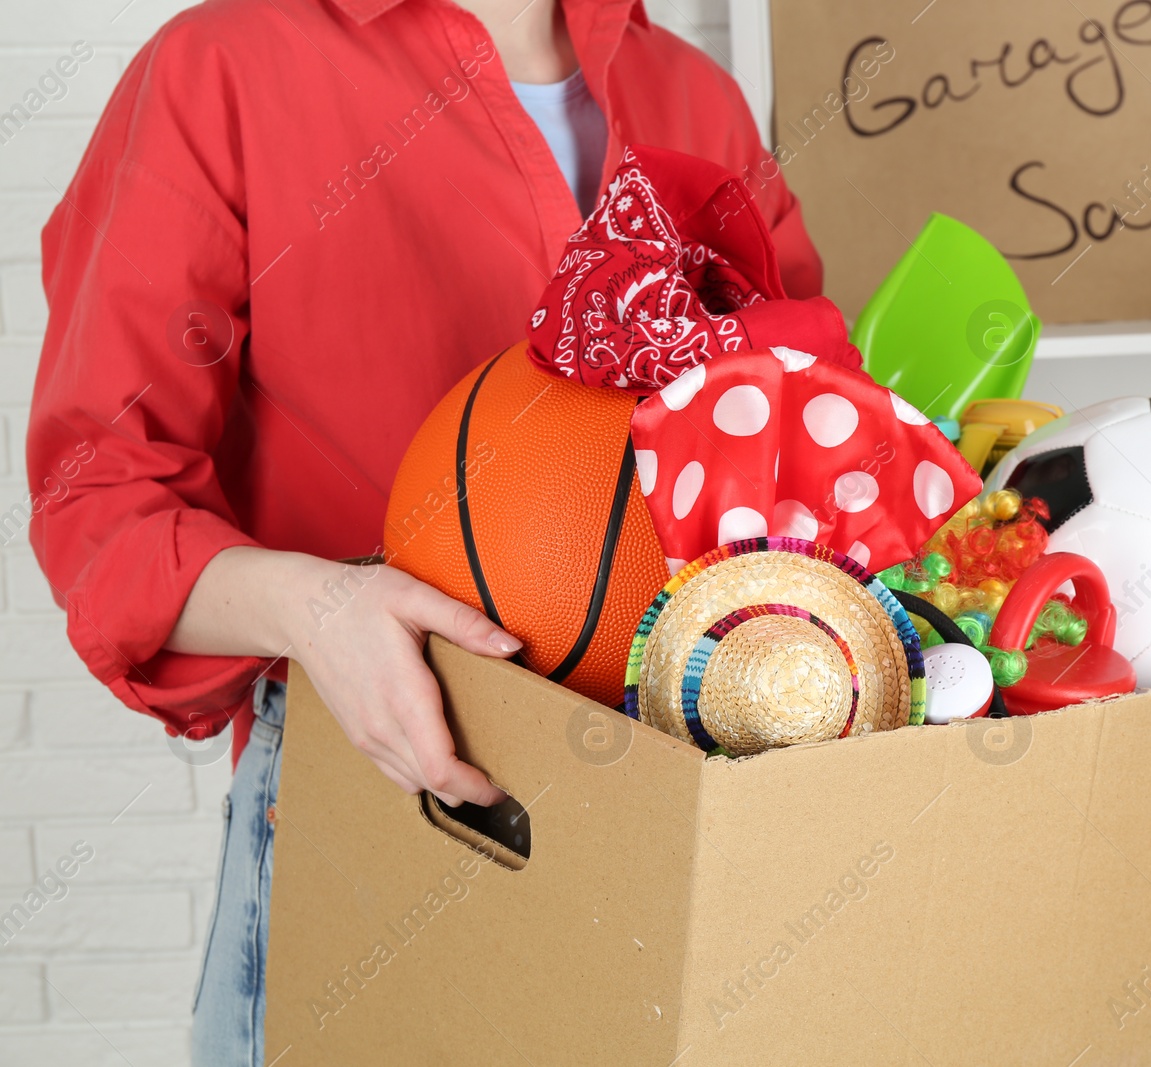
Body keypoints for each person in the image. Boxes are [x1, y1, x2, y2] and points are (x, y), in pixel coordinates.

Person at [26, 0, 821, 1063]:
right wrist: (324, 608)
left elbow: (804, 432)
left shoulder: (693, 93)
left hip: (673, 796)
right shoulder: (222, 66)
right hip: (382, 788)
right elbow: (101, 500)